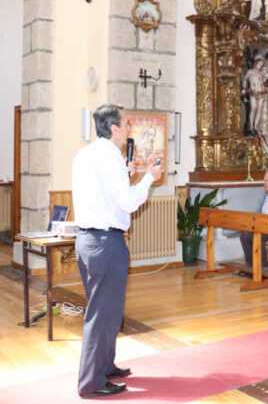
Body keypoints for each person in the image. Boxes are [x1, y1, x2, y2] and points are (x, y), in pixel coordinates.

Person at [72, 104, 163, 397]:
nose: (128, 129)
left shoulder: (85, 154)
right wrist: (149, 177)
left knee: (108, 311)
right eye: (125, 124)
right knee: (102, 314)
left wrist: (126, 173)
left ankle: (105, 366)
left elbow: (104, 194)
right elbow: (127, 202)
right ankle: (91, 382)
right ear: (113, 128)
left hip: (87, 241)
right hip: (105, 243)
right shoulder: (110, 156)